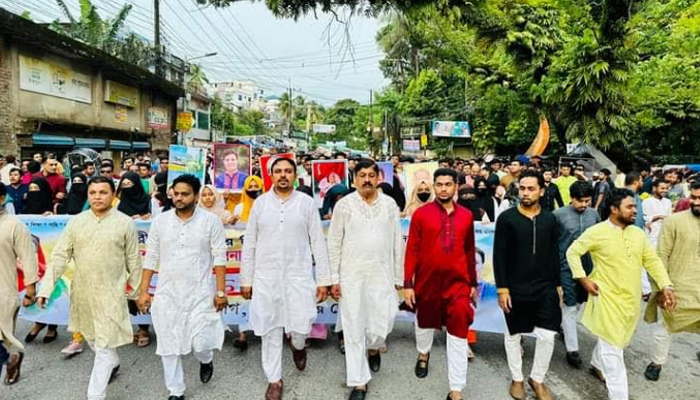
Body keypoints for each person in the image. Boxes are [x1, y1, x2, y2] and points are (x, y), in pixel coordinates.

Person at [36, 176, 142, 400]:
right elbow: (59, 257)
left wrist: (136, 293)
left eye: (103, 192)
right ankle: (113, 361)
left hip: (112, 293)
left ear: (114, 195)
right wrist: (45, 288)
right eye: (93, 193)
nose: (97, 197)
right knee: (94, 339)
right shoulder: (76, 222)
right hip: (82, 292)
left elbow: (134, 261)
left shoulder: (125, 223)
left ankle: (95, 395)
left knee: (102, 347)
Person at [566, 188, 676, 400]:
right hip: (606, 299)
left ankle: (596, 364)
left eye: (635, 206)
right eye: (630, 207)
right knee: (614, 354)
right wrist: (583, 278)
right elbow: (573, 252)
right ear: (614, 209)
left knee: (616, 342)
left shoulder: (638, 233)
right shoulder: (597, 232)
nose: (635, 210)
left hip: (630, 301)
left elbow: (652, 261)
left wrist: (666, 285)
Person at [240, 158, 331, 400]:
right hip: (266, 277)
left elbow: (318, 243)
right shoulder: (260, 204)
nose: (283, 175)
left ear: (294, 175)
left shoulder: (307, 204)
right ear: (270, 175)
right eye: (278, 171)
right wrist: (246, 278)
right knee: (270, 328)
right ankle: (274, 380)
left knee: (301, 326)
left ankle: (298, 348)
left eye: (288, 171)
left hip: (298, 276)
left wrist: (323, 279)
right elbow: (249, 244)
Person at [137, 174, 228, 400]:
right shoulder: (161, 221)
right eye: (175, 193)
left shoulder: (210, 221)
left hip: (200, 293)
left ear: (196, 196)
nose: (178, 198)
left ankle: (206, 360)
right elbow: (152, 257)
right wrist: (144, 291)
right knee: (168, 344)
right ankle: (176, 391)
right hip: (167, 293)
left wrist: (220, 292)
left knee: (201, 342)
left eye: (184, 194)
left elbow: (219, 259)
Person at [327, 159, 404, 400]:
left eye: (371, 175)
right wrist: (333, 278)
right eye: (362, 175)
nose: (367, 179)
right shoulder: (345, 206)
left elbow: (397, 242)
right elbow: (334, 242)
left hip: (382, 274)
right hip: (352, 276)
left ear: (378, 178)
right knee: (353, 326)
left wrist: (399, 276)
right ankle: (359, 382)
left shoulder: (389, 204)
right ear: (355, 179)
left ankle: (374, 348)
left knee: (384, 319)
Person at [403, 168, 477, 400]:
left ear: (456, 186)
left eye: (448, 184)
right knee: (424, 324)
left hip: (458, 286)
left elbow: (469, 250)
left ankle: (456, 389)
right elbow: (412, 250)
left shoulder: (466, 215)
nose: (443, 188)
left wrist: (472, 283)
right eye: (439, 184)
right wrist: (408, 283)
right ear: (434, 186)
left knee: (458, 332)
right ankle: (423, 354)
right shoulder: (421, 215)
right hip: (427, 283)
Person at [494, 171, 561, 400]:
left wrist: (559, 286)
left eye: (531, 189)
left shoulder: (550, 219)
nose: (525, 193)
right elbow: (499, 255)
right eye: (522, 188)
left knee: (547, 335)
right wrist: (502, 288)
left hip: (545, 287)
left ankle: (537, 378)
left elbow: (554, 253)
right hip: (514, 287)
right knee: (513, 334)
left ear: (542, 191)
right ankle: (517, 378)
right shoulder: (507, 219)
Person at [642, 181, 700, 381]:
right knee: (664, 328)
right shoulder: (674, 222)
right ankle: (657, 363)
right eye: (693, 197)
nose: (696, 202)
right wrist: (662, 287)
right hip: (676, 287)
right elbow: (661, 256)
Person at [553, 181, 599, 368]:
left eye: (587, 201)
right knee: (569, 306)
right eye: (580, 201)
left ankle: (563, 325)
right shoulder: (558, 216)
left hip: (587, 267)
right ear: (571, 198)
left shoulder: (594, 214)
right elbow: (552, 245)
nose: (584, 205)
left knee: (580, 303)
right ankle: (573, 350)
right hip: (564, 267)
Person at [0, 182, 39, 385]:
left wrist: (31, 289)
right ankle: (11, 359)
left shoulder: (14, 226)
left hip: (3, 293)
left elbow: (28, 257)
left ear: (1, 199)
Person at [642, 179, 672, 248]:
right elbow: (643, 218)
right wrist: (658, 217)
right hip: (651, 234)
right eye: (662, 188)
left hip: (665, 233)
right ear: (654, 188)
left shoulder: (668, 202)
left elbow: (669, 217)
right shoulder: (646, 202)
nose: (665, 190)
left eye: (666, 188)